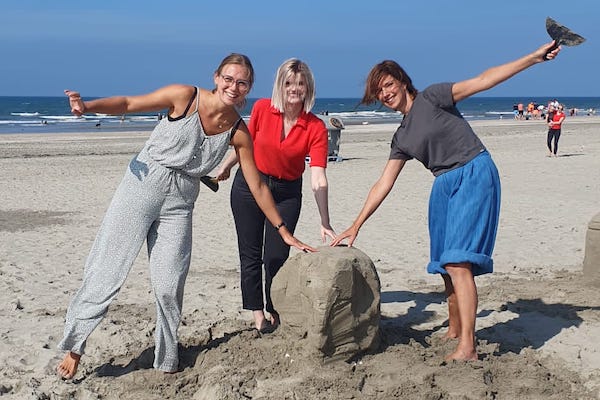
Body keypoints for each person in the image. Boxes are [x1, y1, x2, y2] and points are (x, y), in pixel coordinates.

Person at [56, 53, 316, 379]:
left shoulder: (238, 132)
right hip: (141, 187)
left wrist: (282, 229)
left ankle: (166, 359)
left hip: (180, 202)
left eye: (242, 82)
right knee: (107, 270)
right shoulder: (185, 96)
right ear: (216, 77)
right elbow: (128, 103)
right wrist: (88, 107)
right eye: (229, 78)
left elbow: (258, 186)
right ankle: (76, 346)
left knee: (169, 284)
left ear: (248, 88)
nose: (233, 86)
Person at [331, 41, 561, 362]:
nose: (385, 94)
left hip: (473, 171)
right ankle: (454, 329)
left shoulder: (433, 97)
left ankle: (467, 346)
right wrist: (356, 225)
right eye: (378, 91)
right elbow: (384, 182)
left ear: (402, 80)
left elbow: (484, 80)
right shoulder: (402, 136)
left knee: (457, 262)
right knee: (444, 266)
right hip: (443, 183)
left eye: (388, 85)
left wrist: (533, 58)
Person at [215, 58, 335, 332]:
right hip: (249, 186)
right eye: (289, 83)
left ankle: (275, 308)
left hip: (286, 193)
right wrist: (226, 165)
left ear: (308, 88)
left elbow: (318, 178)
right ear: (280, 85)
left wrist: (324, 220)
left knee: (276, 256)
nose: (294, 89)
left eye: (300, 83)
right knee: (251, 253)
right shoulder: (261, 109)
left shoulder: (315, 127)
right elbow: (246, 146)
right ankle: (258, 314)